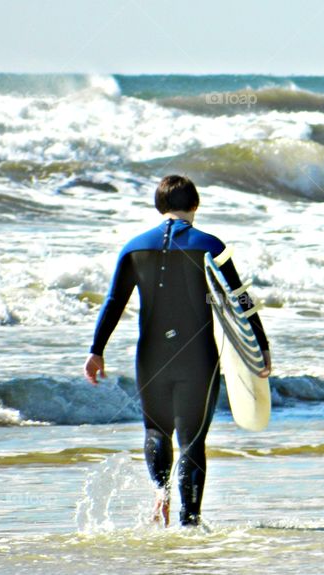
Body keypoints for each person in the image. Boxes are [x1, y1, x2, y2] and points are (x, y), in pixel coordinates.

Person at [83, 175, 271, 526]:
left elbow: (113, 302)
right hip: (197, 357)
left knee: (155, 431)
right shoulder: (210, 245)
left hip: (150, 356)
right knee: (192, 441)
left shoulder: (133, 248)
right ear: (195, 205)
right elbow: (240, 298)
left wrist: (96, 350)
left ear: (159, 207)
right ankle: (190, 522)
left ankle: (160, 492)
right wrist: (261, 346)